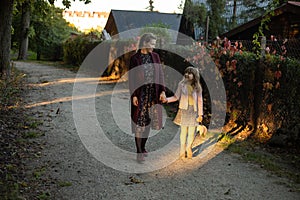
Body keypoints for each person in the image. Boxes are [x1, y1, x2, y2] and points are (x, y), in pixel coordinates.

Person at [128, 33, 166, 163]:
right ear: (145, 43)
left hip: (153, 95)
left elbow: (160, 75)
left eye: (155, 44)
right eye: (152, 44)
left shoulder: (155, 57)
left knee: (149, 122)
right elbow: (131, 79)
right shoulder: (135, 58)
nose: (154, 47)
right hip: (140, 95)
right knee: (139, 122)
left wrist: (162, 91)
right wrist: (133, 95)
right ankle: (139, 152)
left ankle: (143, 147)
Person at [166, 66, 203, 159]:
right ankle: (182, 148)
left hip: (193, 111)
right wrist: (166, 100)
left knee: (191, 132)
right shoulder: (181, 84)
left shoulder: (197, 87)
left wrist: (200, 114)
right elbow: (176, 97)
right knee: (183, 131)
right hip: (184, 110)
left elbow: (200, 101)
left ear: (195, 76)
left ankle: (189, 147)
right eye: (186, 72)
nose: (187, 74)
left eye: (190, 73)